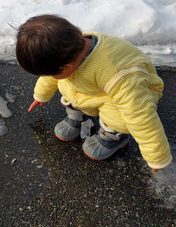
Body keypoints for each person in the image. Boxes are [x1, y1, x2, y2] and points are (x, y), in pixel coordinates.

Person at [16, 14, 172, 171]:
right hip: (93, 87)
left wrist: (156, 157)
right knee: (66, 84)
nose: (49, 77)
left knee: (120, 117)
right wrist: (41, 95)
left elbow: (141, 117)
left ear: (67, 67)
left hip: (136, 93)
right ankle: (80, 115)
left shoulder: (118, 75)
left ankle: (113, 136)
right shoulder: (69, 47)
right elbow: (50, 76)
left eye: (52, 73)